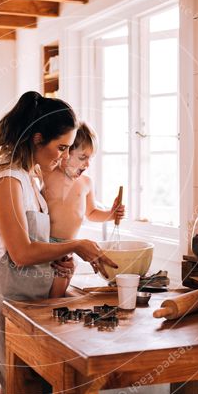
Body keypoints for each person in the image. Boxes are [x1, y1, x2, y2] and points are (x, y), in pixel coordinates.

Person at [0, 91, 117, 394]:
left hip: (26, 300)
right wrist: (77, 245)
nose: (65, 156)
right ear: (37, 139)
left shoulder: (27, 178)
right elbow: (21, 252)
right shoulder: (6, 179)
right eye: (61, 147)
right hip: (7, 302)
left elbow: (33, 245)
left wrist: (57, 259)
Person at [42, 123, 125, 298]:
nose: (87, 164)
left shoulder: (86, 183)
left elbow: (92, 213)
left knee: (58, 295)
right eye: (82, 157)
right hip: (46, 246)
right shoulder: (47, 175)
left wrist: (111, 214)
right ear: (65, 153)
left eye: (90, 158)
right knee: (47, 298)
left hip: (70, 250)